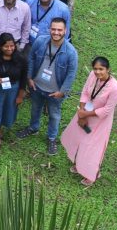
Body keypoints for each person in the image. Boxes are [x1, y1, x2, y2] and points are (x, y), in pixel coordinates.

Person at [18, 18, 78, 155]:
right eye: (53, 29)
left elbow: (71, 74)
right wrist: (29, 78)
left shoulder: (71, 52)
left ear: (65, 31)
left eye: (59, 30)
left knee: (54, 115)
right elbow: (31, 58)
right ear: (50, 29)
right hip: (37, 86)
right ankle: (33, 128)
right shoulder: (40, 41)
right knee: (35, 109)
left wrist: (62, 92)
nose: (56, 32)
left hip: (55, 93)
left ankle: (52, 138)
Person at [61, 56, 117, 186]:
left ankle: (92, 173)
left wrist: (85, 114)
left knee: (92, 146)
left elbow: (107, 110)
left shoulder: (115, 88)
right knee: (79, 139)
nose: (98, 72)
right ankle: (79, 165)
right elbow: (85, 93)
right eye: (95, 69)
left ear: (108, 69)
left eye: (101, 69)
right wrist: (82, 114)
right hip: (85, 112)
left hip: (100, 121)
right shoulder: (93, 76)